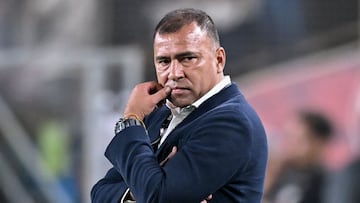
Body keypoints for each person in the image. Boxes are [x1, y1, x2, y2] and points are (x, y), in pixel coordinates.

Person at [91, 8, 268, 203]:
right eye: (164, 61)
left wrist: (131, 120)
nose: (175, 73)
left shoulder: (232, 122)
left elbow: (158, 197)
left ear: (219, 60)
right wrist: (138, 191)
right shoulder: (158, 113)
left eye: (188, 59)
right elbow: (100, 192)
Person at [264, 110, 334, 203]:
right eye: (289, 137)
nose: (291, 144)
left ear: (319, 143)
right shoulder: (280, 170)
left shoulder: (326, 183)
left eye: (299, 139)